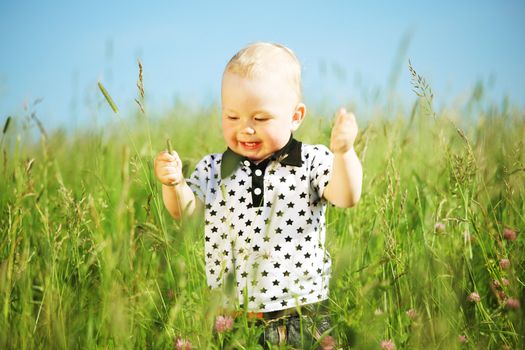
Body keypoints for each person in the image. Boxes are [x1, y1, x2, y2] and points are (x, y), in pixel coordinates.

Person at [154, 42, 362, 348]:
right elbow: (186, 213)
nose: (245, 129)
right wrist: (174, 185)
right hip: (234, 318)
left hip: (302, 315)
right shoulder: (214, 168)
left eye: (260, 119)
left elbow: (346, 195)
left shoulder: (310, 161)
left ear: (295, 116)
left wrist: (344, 153)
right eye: (232, 117)